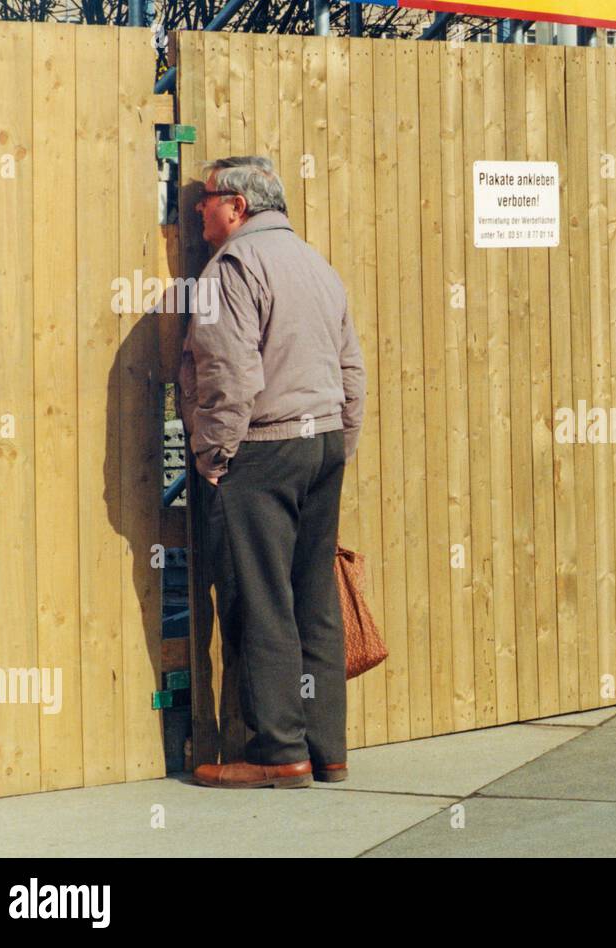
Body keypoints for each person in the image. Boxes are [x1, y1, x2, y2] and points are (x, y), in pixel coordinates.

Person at [181, 156, 366, 789]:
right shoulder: (316, 264)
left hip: (260, 449)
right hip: (321, 445)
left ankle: (277, 753)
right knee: (314, 599)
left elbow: (230, 374)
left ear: (236, 206)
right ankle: (326, 751)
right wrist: (340, 443)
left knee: (259, 600)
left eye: (205, 199)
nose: (197, 209)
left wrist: (213, 457)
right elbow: (350, 372)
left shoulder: (232, 266)